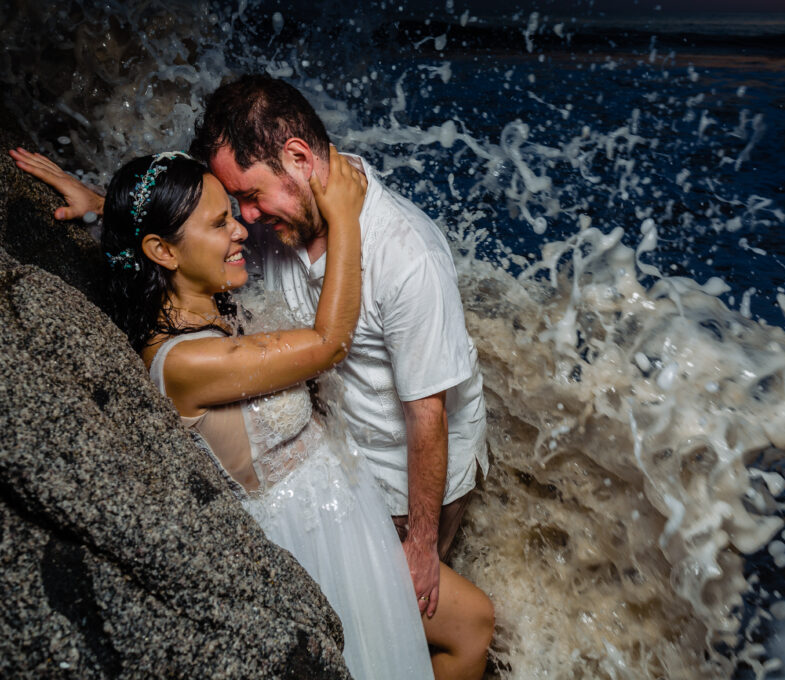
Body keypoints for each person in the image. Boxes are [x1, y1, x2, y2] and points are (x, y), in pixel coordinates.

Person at [10, 146, 494, 680]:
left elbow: (171, 236)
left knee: (469, 624)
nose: (242, 228)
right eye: (222, 221)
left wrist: (106, 208)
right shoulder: (185, 360)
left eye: (235, 210)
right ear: (163, 252)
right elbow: (330, 342)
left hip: (352, 513)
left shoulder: (207, 300)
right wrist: (344, 219)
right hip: (310, 542)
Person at [187, 77, 490, 625]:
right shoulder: (283, 216)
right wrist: (114, 212)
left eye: (251, 197)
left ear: (298, 158)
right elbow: (191, 235)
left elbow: (428, 417)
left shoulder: (406, 255)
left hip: (406, 478)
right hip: (342, 463)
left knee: (400, 623)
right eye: (236, 203)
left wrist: (421, 546)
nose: (245, 218)